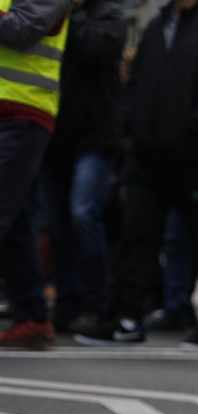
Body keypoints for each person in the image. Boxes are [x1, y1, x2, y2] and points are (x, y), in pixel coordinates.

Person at [74, 0, 198, 349]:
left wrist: (195, 131)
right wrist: (133, 132)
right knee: (136, 236)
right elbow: (138, 84)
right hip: (148, 155)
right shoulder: (158, 26)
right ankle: (125, 317)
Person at [28, 0, 124, 341]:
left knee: (83, 214)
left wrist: (65, 17)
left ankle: (97, 304)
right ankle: (68, 305)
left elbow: (97, 49)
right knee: (58, 225)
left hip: (94, 137)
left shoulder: (109, 15)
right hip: (57, 134)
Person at [0, 0, 72, 349]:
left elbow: (21, 30)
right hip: (12, 113)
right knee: (17, 222)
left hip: (23, 112)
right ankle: (31, 319)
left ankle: (32, 317)